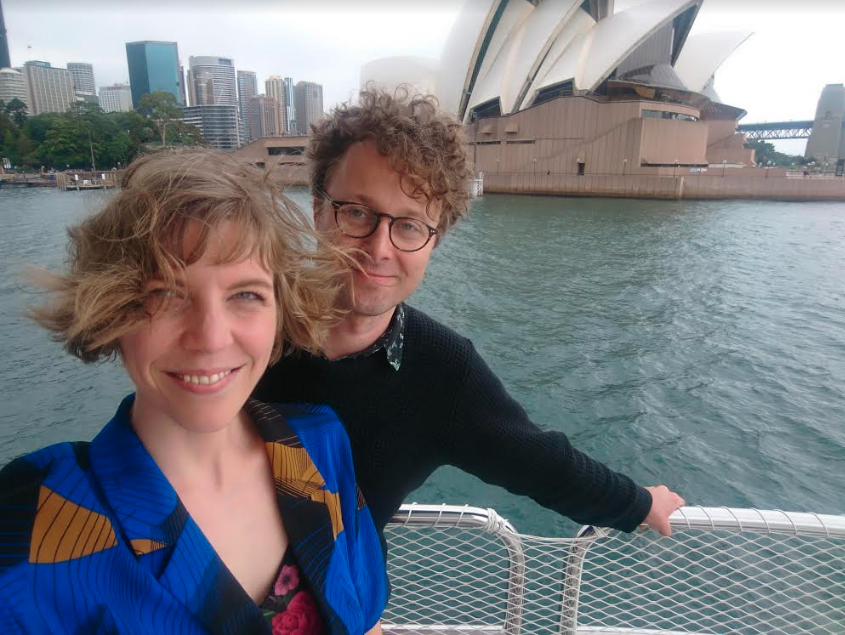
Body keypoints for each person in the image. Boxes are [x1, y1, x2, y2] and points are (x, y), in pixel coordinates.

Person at [256, 88, 684, 541]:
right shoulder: (244, 324)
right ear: (320, 210)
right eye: (358, 213)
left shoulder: (442, 371)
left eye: (408, 226)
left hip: (334, 605)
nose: (379, 250)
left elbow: (539, 463)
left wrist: (637, 502)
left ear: (433, 241)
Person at [0, 150, 387, 634]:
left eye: (246, 295)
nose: (210, 337)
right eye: (166, 295)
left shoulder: (322, 443)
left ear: (280, 313)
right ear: (109, 312)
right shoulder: (30, 521)